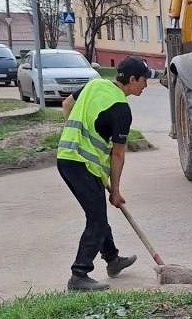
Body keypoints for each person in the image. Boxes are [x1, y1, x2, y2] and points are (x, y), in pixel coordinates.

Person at [57, 56, 157, 291]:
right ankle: (79, 274)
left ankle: (112, 260)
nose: (145, 85)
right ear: (132, 79)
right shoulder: (121, 109)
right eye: (144, 80)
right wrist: (116, 190)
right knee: (97, 219)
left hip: (67, 158)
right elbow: (118, 155)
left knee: (97, 213)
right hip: (82, 164)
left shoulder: (94, 84)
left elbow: (67, 105)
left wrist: (78, 136)